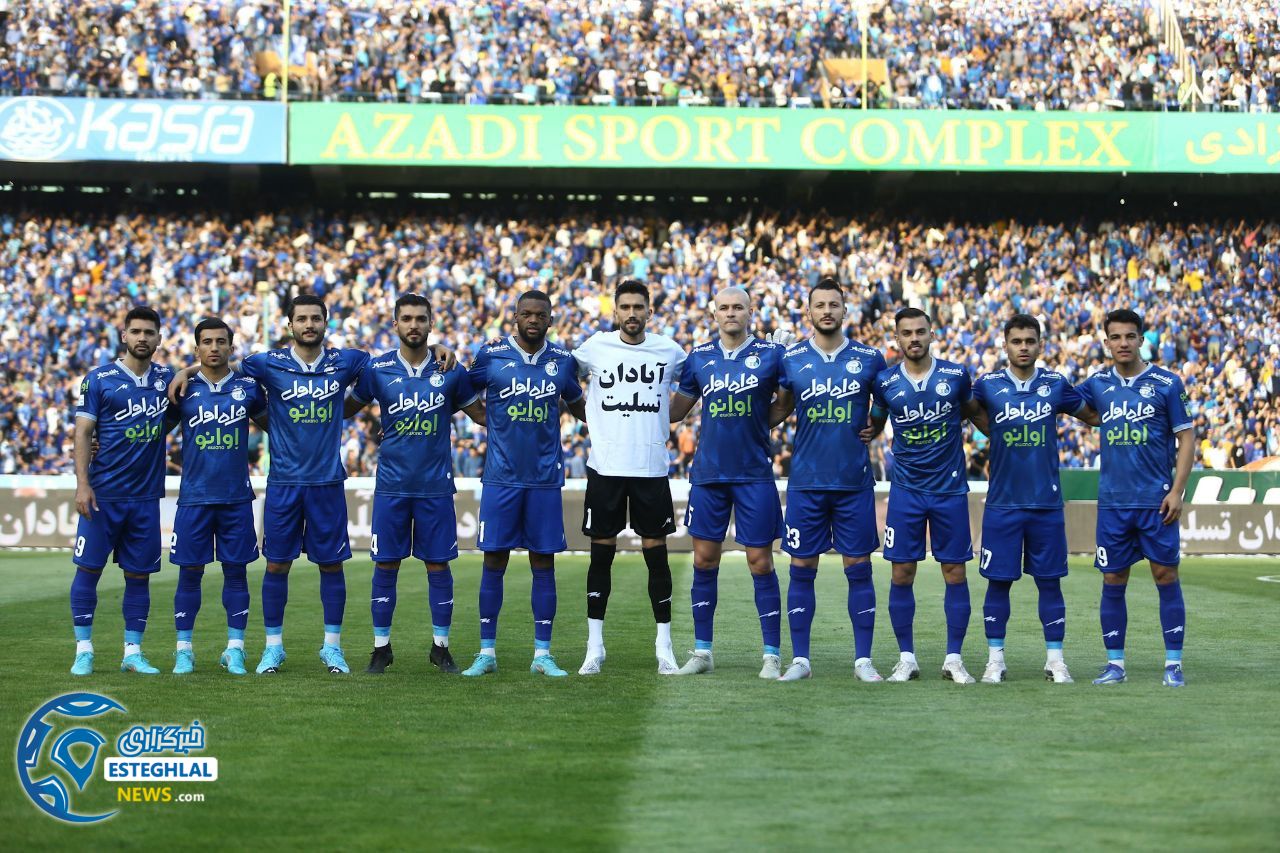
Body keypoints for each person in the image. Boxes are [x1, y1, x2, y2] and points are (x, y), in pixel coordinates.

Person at [345, 294, 485, 675]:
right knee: (385, 565)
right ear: (395, 324)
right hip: (391, 485)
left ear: (430, 323)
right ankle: (380, 647)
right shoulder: (378, 369)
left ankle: (441, 647)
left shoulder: (449, 370)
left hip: (435, 487)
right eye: (406, 318)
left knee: (438, 566)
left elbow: (482, 415)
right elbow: (342, 408)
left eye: (420, 318)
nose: (413, 325)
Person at [460, 290, 587, 678]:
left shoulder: (563, 362)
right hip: (501, 479)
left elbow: (581, 406)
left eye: (540, 315)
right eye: (526, 314)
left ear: (551, 320)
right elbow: (463, 391)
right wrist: (487, 419)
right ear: (514, 317)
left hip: (545, 480)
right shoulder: (490, 355)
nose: (533, 319)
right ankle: (486, 652)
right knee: (493, 561)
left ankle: (542, 654)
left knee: (542, 563)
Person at [669, 286, 792, 679]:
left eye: (738, 307)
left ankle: (771, 655)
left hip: (754, 474)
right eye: (724, 307)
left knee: (760, 561)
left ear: (750, 311)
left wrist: (757, 425)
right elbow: (677, 409)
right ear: (714, 313)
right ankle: (703, 652)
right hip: (708, 474)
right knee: (704, 560)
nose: (731, 313)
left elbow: (785, 404)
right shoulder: (699, 357)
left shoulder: (771, 355)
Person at [969, 314, 1098, 684]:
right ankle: (995, 660)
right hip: (1002, 504)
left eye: (1030, 341)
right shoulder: (988, 385)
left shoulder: (1056, 385)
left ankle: (1055, 660)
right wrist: (993, 432)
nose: (1023, 347)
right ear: (1005, 345)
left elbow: (1093, 415)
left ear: (1040, 344)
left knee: (1050, 583)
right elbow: (967, 410)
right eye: (1016, 341)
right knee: (998, 583)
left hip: (1045, 504)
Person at [770, 278, 887, 682]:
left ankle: (863, 660)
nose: (827, 311)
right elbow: (780, 407)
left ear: (844, 311)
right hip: (806, 481)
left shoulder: (870, 358)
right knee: (801, 568)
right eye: (819, 304)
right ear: (809, 311)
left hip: (853, 481)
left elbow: (887, 399)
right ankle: (800, 659)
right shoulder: (793, 357)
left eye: (833, 304)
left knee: (859, 569)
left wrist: (876, 424)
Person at [572, 279, 687, 676]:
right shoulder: (594, 348)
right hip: (605, 467)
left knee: (657, 560)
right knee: (599, 558)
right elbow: (556, 371)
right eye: (626, 307)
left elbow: (702, 376)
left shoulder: (670, 351)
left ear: (649, 311)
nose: (632, 314)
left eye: (639, 307)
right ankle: (594, 647)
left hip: (651, 469)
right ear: (615, 311)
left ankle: (665, 648)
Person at [1077, 309, 1195, 687]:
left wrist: (1177, 491)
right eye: (1116, 337)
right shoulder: (1097, 384)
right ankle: (1115, 665)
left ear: (1142, 339)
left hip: (1156, 501)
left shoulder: (1166, 383)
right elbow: (1078, 409)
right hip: (1113, 503)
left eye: (1130, 336)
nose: (1123, 343)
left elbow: (1187, 437)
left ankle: (1173, 664)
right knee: (1113, 579)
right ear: (1106, 341)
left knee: (1165, 575)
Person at [866, 307, 983, 684]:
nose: (914, 338)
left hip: (949, 490)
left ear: (932, 334)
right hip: (906, 492)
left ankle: (954, 658)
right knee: (902, 572)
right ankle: (906, 658)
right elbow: (876, 423)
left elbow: (978, 416)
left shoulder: (955, 376)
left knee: (954, 572)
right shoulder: (885, 382)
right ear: (897, 339)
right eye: (906, 333)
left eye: (920, 331)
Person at [70, 306, 177, 675]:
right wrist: (83, 484)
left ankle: (133, 652)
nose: (142, 338)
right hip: (103, 496)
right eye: (136, 332)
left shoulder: (168, 379)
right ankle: (84, 650)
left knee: (139, 576)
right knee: (89, 570)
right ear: (124, 336)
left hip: (146, 498)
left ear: (159, 338)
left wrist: (193, 370)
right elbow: (83, 432)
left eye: (149, 332)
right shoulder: (99, 379)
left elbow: (202, 386)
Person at [168, 317, 268, 676]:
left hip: (236, 498)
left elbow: (279, 425)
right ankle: (184, 651)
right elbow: (150, 430)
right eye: (207, 342)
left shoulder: (248, 388)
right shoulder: (181, 390)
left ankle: (235, 649)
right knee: (188, 575)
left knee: (236, 574)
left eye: (220, 341)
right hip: (194, 498)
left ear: (230, 347)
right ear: (197, 349)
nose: (214, 347)